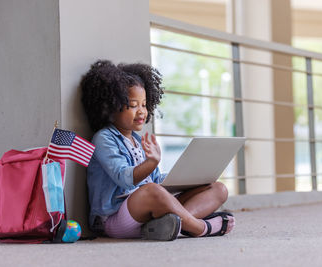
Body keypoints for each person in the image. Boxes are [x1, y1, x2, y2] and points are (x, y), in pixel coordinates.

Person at [80, 60, 235, 241]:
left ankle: (174, 225)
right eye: (133, 105)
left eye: (144, 105)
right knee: (151, 191)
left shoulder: (138, 140)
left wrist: (190, 177)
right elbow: (124, 178)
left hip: (148, 214)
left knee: (218, 189)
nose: (141, 111)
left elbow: (156, 181)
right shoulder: (104, 138)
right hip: (113, 218)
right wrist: (151, 162)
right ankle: (199, 227)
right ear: (110, 106)